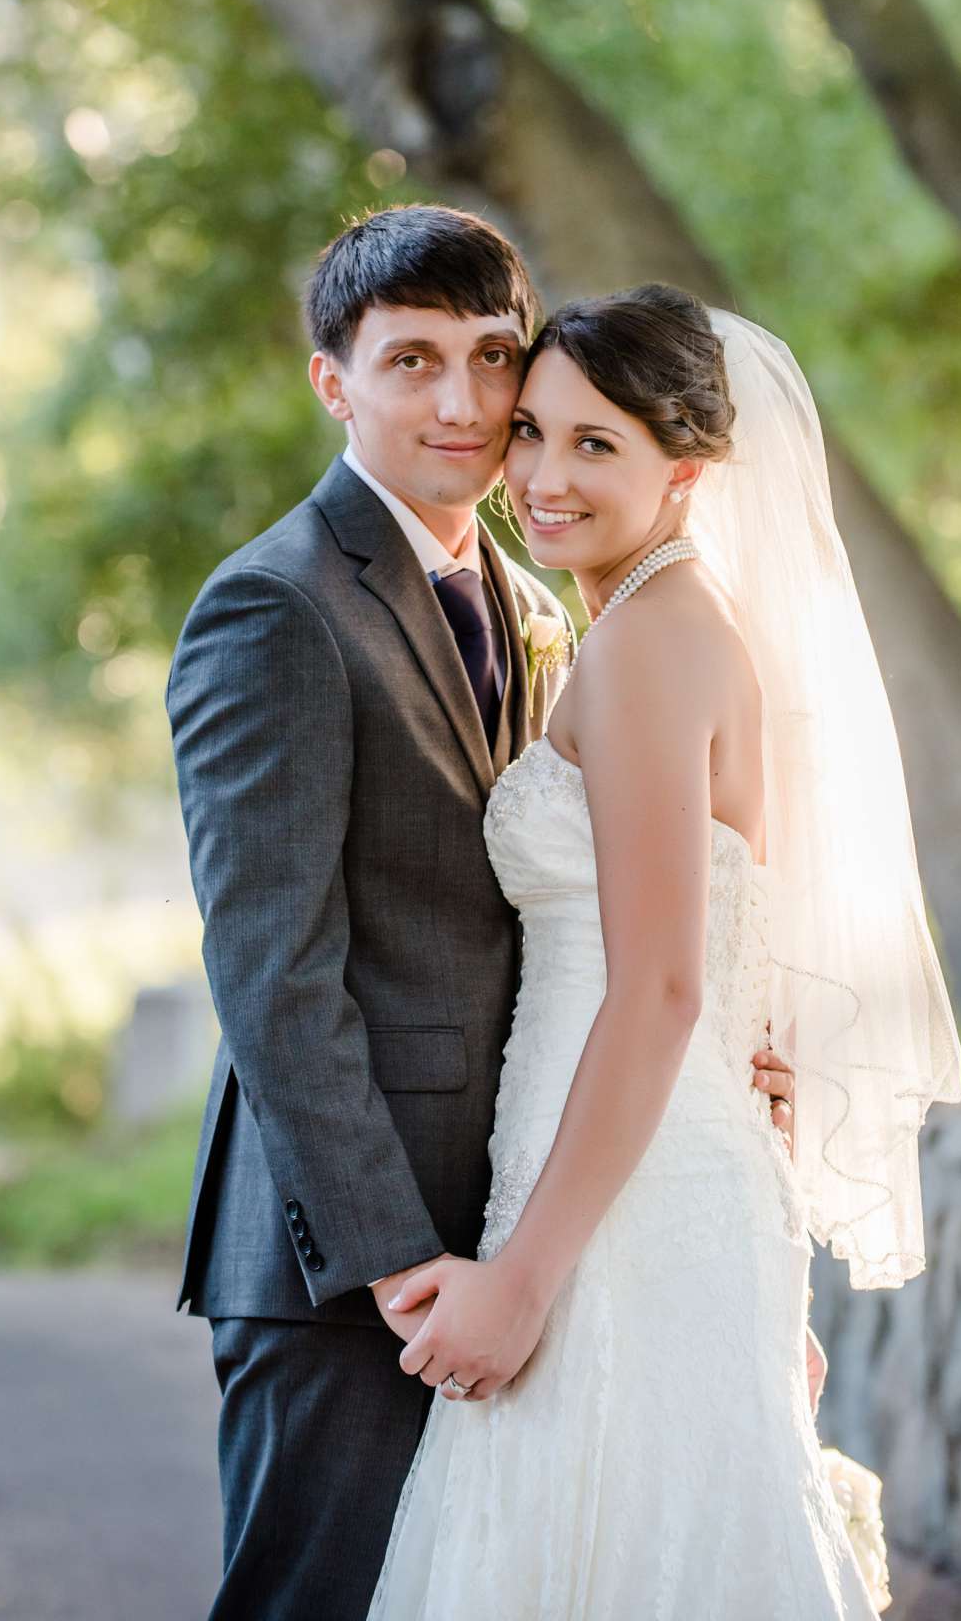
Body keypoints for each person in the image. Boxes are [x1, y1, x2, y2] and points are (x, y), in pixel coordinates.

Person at [166, 210, 799, 1620]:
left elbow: (634, 924)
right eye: (409, 361)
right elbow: (274, 971)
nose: (459, 401)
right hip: (354, 1261)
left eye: (488, 358)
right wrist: (398, 1261)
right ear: (334, 381)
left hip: (546, 1214)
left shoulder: (545, 597)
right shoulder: (271, 609)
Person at [366, 284, 961, 1620]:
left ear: (684, 473)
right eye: (531, 435)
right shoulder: (656, 629)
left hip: (617, 1195)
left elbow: (660, 987)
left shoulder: (649, 646)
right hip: (645, 1166)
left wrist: (518, 1281)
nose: (540, 476)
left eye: (595, 446)